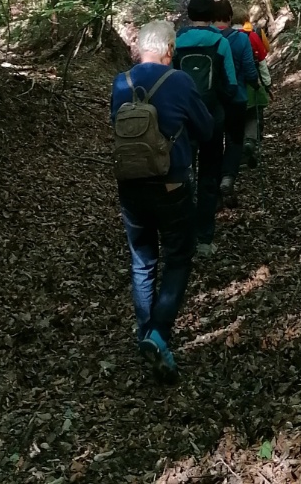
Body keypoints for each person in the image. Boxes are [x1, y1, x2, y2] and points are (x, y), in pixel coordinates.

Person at [111, 20, 214, 383]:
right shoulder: (180, 81)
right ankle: (158, 333)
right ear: (170, 49)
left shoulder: (120, 83)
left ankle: (146, 334)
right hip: (172, 187)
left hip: (131, 187)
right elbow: (206, 129)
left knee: (142, 262)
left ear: (139, 48)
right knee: (179, 257)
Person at [173, 0, 237, 257]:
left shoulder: (176, 42)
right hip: (212, 118)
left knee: (182, 175)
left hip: (183, 120)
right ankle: (204, 239)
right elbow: (230, 85)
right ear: (212, 16)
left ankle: (181, 236)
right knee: (209, 175)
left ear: (189, 15)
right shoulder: (220, 42)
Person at [212, 0, 260, 206]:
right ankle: (228, 177)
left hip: (211, 101)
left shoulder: (206, 40)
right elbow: (250, 71)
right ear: (230, 18)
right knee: (234, 141)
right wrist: (256, 84)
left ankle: (213, 189)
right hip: (237, 99)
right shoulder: (241, 39)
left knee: (213, 144)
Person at [231, 4, 272, 166]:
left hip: (234, 85)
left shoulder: (226, 37)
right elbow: (262, 62)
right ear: (245, 19)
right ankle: (251, 142)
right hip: (252, 83)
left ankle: (240, 151)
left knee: (236, 119)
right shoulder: (253, 35)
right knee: (254, 116)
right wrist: (267, 84)